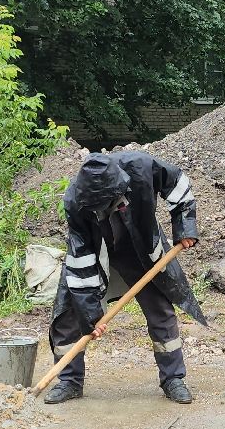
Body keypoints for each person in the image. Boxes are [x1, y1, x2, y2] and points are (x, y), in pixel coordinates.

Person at [44, 151, 208, 405]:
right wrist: (91, 318)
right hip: (95, 251)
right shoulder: (76, 201)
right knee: (68, 314)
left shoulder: (141, 167)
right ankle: (69, 381)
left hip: (139, 248)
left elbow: (178, 183)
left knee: (160, 309)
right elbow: (81, 261)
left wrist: (184, 227)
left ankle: (173, 378)